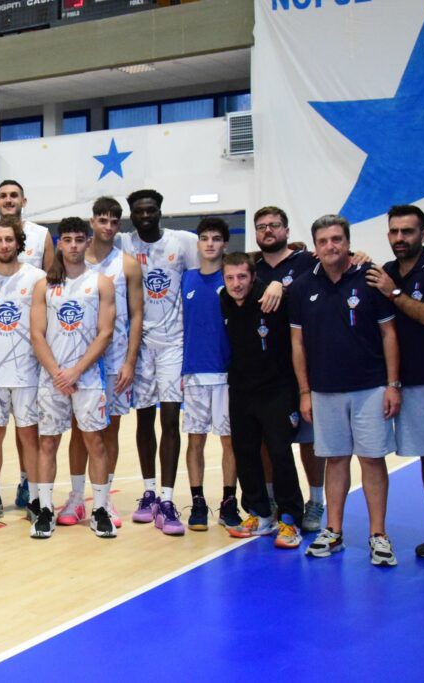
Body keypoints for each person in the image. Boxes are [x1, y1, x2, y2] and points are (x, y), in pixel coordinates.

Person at [290, 214, 401, 566]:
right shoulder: (302, 287)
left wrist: (393, 385)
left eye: (337, 239)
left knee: (372, 459)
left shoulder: (370, 279)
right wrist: (305, 391)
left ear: (348, 242)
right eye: (323, 241)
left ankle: (378, 534)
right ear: (315, 247)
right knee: (335, 459)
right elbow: (297, 344)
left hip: (370, 387)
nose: (330, 246)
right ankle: (333, 530)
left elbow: (389, 334)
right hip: (324, 390)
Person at [366, 204, 424, 568]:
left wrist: (394, 293)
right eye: (394, 231)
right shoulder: (385, 271)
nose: (400, 238)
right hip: (411, 383)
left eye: (408, 231)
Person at [0, 180, 55, 512]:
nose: (4, 245)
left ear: (19, 243)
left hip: (27, 369)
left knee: (29, 435)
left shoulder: (36, 278)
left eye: (9, 240)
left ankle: (35, 497)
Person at [30, 217, 116, 539]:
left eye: (80, 239)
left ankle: (100, 509)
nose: (74, 245)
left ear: (88, 241)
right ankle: (46, 509)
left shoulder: (101, 283)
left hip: (88, 376)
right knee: (48, 442)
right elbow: (36, 334)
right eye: (68, 240)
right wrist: (58, 373)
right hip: (52, 378)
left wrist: (76, 371)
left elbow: (105, 333)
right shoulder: (45, 285)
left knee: (95, 442)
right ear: (60, 243)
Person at [60, 197, 142, 529]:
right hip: (78, 358)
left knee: (109, 431)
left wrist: (130, 361)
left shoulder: (127, 264)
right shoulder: (73, 259)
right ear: (92, 221)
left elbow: (137, 315)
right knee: (79, 431)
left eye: (113, 221)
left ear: (119, 225)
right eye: (102, 220)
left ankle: (104, 499)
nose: (107, 226)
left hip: (114, 359)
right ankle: (76, 497)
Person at [118, 189, 197, 532]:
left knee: (170, 420)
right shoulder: (123, 243)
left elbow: (215, 267)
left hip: (173, 343)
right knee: (144, 420)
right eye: (139, 211)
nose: (145, 215)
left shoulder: (183, 242)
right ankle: (149, 493)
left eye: (151, 210)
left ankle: (167, 498)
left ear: (160, 211)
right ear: (132, 215)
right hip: (139, 344)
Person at [220, 252, 304, 549]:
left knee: (280, 453)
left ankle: (290, 518)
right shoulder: (224, 300)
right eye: (230, 278)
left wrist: (280, 285)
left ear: (253, 277)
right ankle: (260, 513)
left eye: (242, 277)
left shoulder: (272, 297)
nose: (236, 284)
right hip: (241, 390)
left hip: (276, 389)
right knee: (245, 452)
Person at [252, 205, 325, 531]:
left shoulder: (308, 261)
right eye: (262, 226)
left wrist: (361, 255)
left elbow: (347, 262)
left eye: (274, 225)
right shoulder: (252, 269)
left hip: (304, 366)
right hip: (265, 371)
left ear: (286, 230)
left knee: (310, 441)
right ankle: (270, 499)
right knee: (267, 441)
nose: (268, 230)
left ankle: (316, 501)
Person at [180, 218, 248, 535]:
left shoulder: (233, 280)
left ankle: (229, 502)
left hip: (227, 373)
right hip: (194, 371)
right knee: (195, 440)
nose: (210, 243)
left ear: (225, 244)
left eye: (216, 238)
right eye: (205, 238)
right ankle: (197, 502)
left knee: (229, 441)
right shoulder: (187, 279)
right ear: (198, 243)